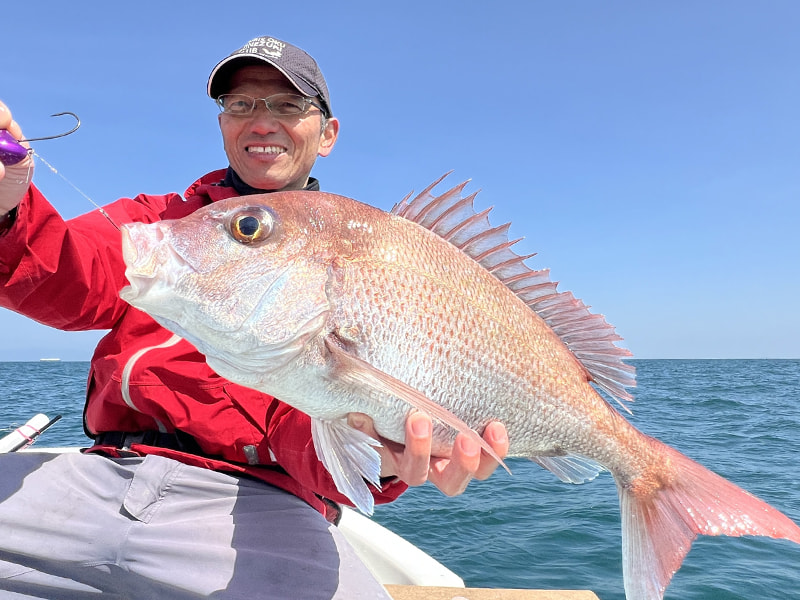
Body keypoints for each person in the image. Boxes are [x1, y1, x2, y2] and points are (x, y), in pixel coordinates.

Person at [0, 35, 509, 599]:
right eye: (240, 105)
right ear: (222, 126)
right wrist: (6, 207)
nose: (261, 122)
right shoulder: (160, 224)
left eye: (288, 106)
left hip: (264, 501)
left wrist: (383, 456)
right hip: (96, 475)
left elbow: (318, 434)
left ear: (328, 133)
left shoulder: (363, 261)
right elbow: (63, 277)